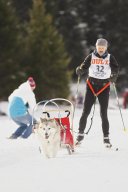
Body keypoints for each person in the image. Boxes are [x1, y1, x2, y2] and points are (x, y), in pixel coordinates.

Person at [76, 38, 119, 147]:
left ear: (106, 48)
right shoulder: (91, 56)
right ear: (96, 47)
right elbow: (84, 66)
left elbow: (115, 69)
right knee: (86, 111)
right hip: (91, 86)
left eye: (102, 48)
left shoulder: (110, 57)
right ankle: (80, 135)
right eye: (99, 48)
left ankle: (106, 138)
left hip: (104, 87)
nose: (100, 50)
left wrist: (114, 76)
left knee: (103, 113)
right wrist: (80, 70)